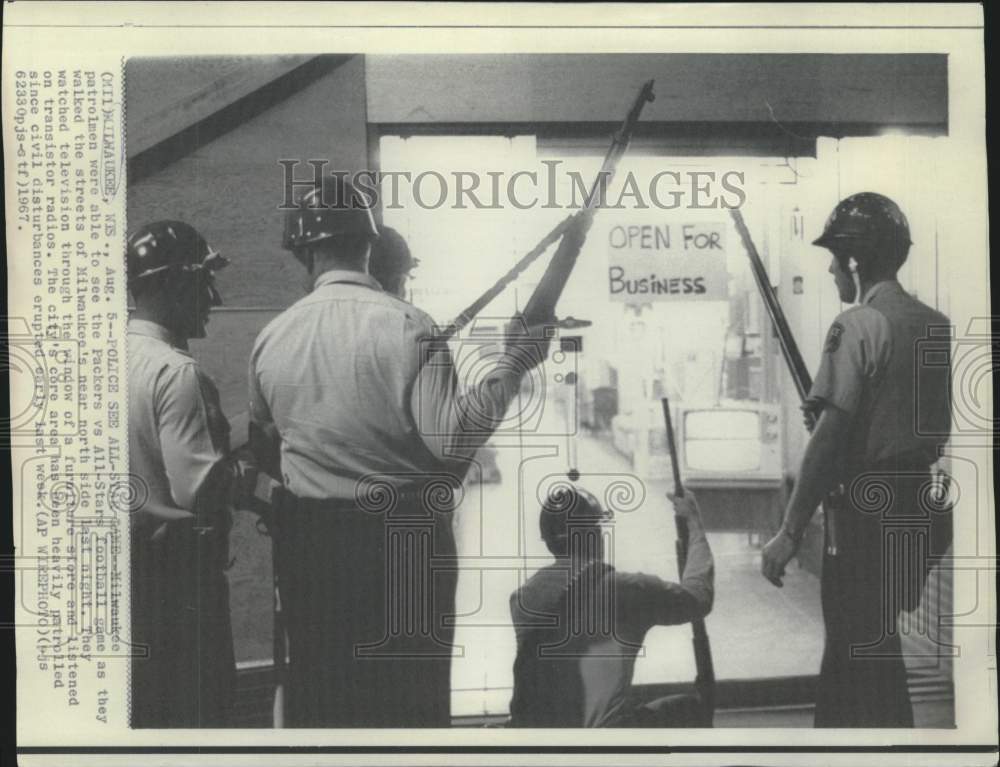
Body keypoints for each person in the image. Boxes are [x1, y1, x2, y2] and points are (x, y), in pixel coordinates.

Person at [248, 176, 551, 727]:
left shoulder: (272, 336)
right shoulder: (410, 326)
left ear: (306, 252)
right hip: (404, 544)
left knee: (322, 693)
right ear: (369, 245)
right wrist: (513, 365)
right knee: (408, 700)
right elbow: (452, 443)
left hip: (310, 547)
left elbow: (263, 444)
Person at [760, 192, 952, 727]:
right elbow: (913, 424)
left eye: (832, 257)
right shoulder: (933, 324)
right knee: (878, 648)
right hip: (916, 509)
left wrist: (790, 530)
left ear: (853, 259)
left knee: (849, 656)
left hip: (864, 517)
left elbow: (829, 441)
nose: (828, 268)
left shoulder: (858, 324)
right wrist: (842, 426)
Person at [126, 220, 237, 727]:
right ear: (172, 285)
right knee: (199, 719)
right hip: (180, 586)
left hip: (125, 582)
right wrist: (247, 466)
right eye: (203, 281)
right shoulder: (178, 373)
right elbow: (201, 493)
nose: (213, 296)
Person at [508, 486, 714, 727]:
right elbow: (698, 597)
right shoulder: (623, 589)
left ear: (549, 542)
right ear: (594, 535)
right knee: (688, 708)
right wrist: (695, 524)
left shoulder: (522, 598)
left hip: (546, 745)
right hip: (606, 745)